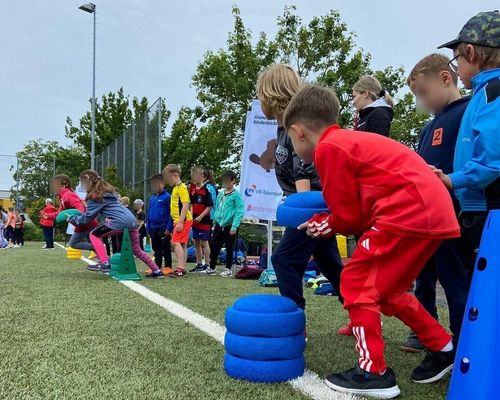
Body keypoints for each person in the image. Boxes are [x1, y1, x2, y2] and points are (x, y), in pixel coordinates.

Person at [284, 85, 460, 398]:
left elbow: (348, 217)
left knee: (355, 279)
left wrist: (321, 224)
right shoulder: (348, 141)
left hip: (409, 212)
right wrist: (330, 221)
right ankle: (443, 347)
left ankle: (373, 371)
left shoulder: (329, 148)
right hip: (432, 211)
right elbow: (360, 210)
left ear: (298, 132)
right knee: (389, 292)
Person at [256, 64, 344, 322]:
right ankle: (361, 311)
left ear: (271, 94)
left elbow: (303, 171)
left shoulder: (296, 125)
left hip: (312, 207)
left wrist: (301, 215)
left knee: (283, 259)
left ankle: (294, 320)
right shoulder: (282, 128)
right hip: (311, 206)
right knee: (330, 265)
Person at [399, 54, 472, 353]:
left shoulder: (469, 111)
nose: (421, 101)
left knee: (455, 279)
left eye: (422, 93)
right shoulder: (427, 128)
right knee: (423, 274)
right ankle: (425, 331)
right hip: (423, 214)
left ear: (445, 79)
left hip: (455, 214)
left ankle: (461, 341)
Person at [432, 11, 500, 239]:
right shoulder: (484, 93)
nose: (456, 70)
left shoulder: (494, 92)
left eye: (456, 60)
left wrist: (452, 179)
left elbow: (492, 160)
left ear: (470, 52)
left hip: (489, 211)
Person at [68, 170, 164, 278]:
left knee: (93, 234)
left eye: (82, 183)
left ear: (89, 183)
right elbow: (113, 209)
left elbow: (86, 218)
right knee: (137, 250)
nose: (82, 186)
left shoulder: (94, 197)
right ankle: (156, 271)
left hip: (120, 221)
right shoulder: (109, 192)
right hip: (131, 220)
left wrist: (72, 219)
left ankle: (104, 263)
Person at [43, 174, 97, 252]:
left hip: (87, 223)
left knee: (74, 243)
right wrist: (48, 216)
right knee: (75, 243)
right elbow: (60, 213)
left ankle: (99, 250)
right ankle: (99, 250)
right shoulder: (63, 197)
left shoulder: (68, 195)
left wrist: (73, 215)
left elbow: (80, 209)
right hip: (81, 224)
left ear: (64, 185)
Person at [208, 170, 244, 277]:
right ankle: (212, 267)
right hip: (219, 224)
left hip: (230, 225)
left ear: (233, 181)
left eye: (228, 180)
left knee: (229, 247)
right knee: (214, 245)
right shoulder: (221, 194)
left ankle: (228, 268)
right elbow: (217, 207)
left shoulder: (236, 195)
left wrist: (234, 226)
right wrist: (216, 219)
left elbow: (239, 211)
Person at [162, 164, 193, 278]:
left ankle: (180, 269)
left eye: (168, 178)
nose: (167, 180)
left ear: (175, 175)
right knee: (182, 244)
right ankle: (182, 268)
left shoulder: (181, 188)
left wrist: (180, 222)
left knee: (175, 242)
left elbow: (185, 205)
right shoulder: (176, 188)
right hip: (180, 220)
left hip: (183, 220)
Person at [146, 174, 173, 275]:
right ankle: (156, 266)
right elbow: (149, 213)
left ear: (162, 183)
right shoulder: (152, 198)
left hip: (163, 226)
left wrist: (169, 227)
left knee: (165, 247)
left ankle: (168, 266)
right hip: (153, 227)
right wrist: (148, 227)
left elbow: (171, 213)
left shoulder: (167, 197)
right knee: (156, 248)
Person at [189, 166, 213, 273]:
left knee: (204, 242)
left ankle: (207, 264)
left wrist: (200, 216)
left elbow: (209, 206)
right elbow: (190, 203)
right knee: (196, 242)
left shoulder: (207, 190)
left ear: (202, 177)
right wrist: (190, 215)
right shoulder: (192, 189)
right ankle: (198, 264)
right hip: (194, 221)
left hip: (204, 221)